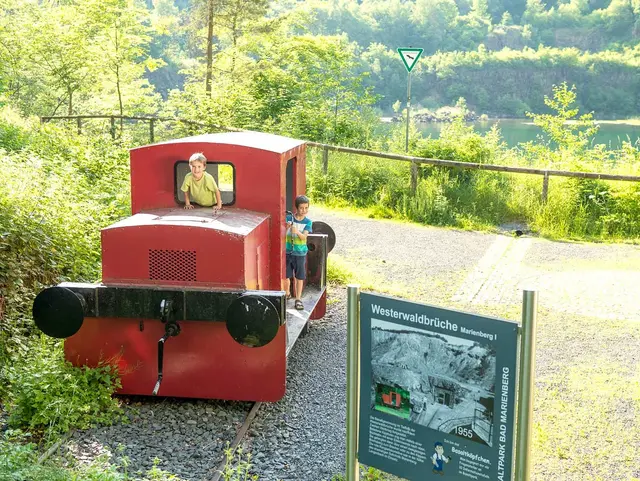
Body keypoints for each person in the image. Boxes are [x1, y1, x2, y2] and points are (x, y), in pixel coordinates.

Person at [285, 195, 312, 310]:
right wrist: (287, 227)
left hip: (300, 253)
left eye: (306, 208)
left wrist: (296, 232)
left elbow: (304, 237)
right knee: (286, 275)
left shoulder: (308, 222)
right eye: (301, 208)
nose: (304, 210)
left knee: (299, 277)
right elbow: (283, 234)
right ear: (296, 208)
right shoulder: (289, 218)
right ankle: (287, 293)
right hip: (288, 251)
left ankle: (298, 298)